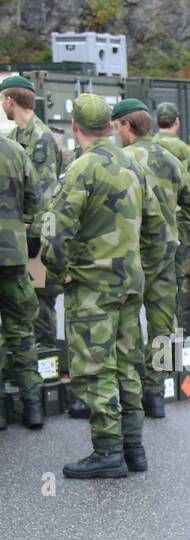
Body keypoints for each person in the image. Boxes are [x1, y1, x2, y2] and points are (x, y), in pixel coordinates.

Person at [42, 94, 166, 479]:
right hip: (129, 283)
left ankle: (108, 452)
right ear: (110, 127)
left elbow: (55, 231)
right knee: (128, 364)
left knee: (95, 369)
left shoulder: (81, 168)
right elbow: (158, 230)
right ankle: (134, 447)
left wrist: (57, 271)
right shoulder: (132, 165)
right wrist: (141, 269)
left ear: (75, 127)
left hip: (92, 285)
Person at [113, 99, 190, 419]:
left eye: (117, 125)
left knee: (127, 326)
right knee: (163, 325)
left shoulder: (120, 160)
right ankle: (156, 394)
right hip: (164, 257)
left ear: (127, 126)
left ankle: (129, 393)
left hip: (127, 259)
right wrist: (183, 245)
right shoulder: (170, 159)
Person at [1, 75, 64, 350]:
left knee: (41, 296)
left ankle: (47, 356)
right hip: (19, 234)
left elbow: (45, 192)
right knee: (24, 300)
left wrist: (36, 234)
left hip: (38, 233)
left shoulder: (42, 138)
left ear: (9, 100)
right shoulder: (15, 137)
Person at [154, 102, 190, 338]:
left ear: (157, 122)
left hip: (157, 223)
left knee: (164, 277)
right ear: (177, 121)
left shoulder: (149, 148)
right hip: (184, 222)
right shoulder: (188, 151)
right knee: (187, 274)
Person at [0, 129, 42, 430]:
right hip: (13, 252)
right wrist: (25, 232)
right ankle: (33, 406)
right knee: (21, 329)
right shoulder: (16, 150)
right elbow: (35, 200)